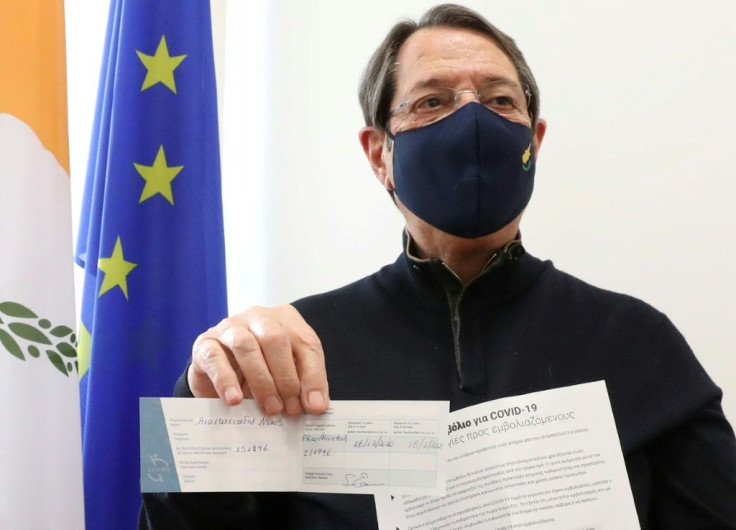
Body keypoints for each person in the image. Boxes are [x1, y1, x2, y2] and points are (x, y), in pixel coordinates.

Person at [140, 4, 736, 529]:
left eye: (501, 100)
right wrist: (203, 397)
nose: (472, 122)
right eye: (433, 101)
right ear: (380, 154)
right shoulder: (297, 353)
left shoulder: (635, 341)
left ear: (535, 139)